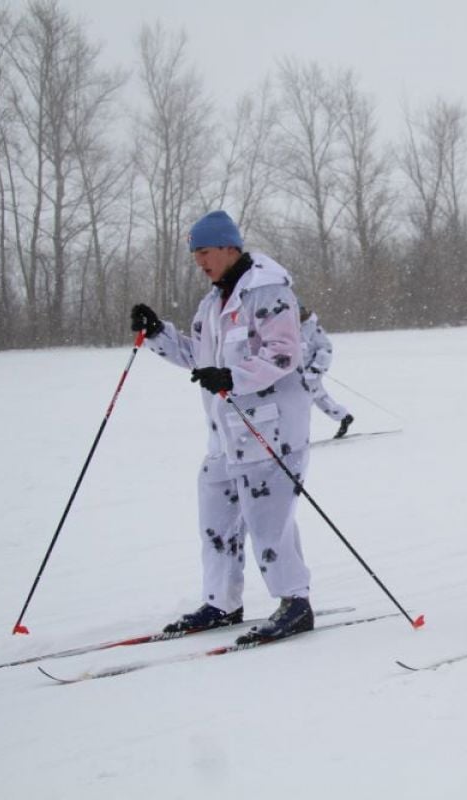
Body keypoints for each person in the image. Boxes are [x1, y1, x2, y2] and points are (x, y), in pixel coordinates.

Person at [130, 210, 315, 644]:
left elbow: (284, 353)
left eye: (205, 252)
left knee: (269, 522)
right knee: (215, 521)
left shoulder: (268, 292)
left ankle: (295, 602)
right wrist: (158, 333)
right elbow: (200, 357)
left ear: (230, 247)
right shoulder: (213, 303)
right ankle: (221, 602)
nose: (200, 262)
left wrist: (234, 377)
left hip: (271, 431)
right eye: (195, 254)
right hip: (225, 434)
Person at [299, 306, 354, 438]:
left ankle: (298, 436)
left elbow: (326, 348)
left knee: (303, 403)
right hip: (299, 374)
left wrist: (317, 367)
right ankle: (344, 416)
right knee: (319, 397)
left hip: (311, 373)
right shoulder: (293, 328)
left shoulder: (313, 328)